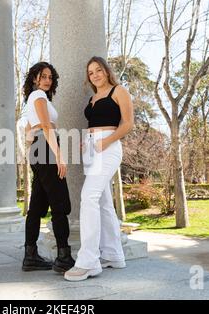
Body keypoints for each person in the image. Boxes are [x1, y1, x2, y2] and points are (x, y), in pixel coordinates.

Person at [64, 56, 134, 281]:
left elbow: (128, 123)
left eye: (98, 70)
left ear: (106, 71)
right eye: (91, 72)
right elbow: (93, 124)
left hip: (109, 146)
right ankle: (114, 255)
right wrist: (89, 141)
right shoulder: (93, 98)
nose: (95, 74)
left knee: (88, 197)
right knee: (103, 202)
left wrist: (107, 141)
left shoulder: (118, 91)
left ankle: (88, 261)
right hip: (92, 149)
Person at [21, 62, 75, 273]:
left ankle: (30, 256)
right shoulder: (39, 97)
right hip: (46, 149)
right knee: (60, 203)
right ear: (35, 78)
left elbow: (28, 132)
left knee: (36, 206)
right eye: (43, 76)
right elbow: (45, 125)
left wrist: (33, 142)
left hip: (38, 149)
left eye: (50, 77)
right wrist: (59, 156)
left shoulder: (31, 100)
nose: (47, 80)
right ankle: (64, 257)